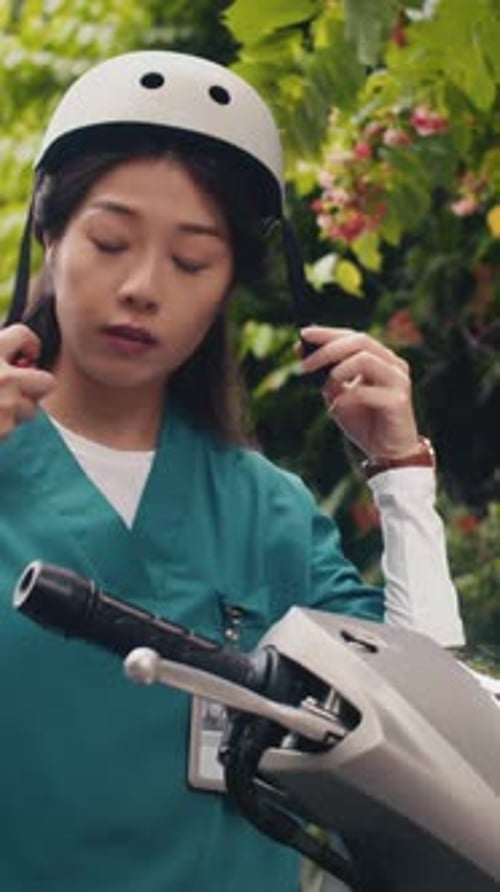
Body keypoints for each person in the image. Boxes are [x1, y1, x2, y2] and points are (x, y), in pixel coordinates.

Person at [0, 50, 464, 891]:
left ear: (229, 289)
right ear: (50, 233)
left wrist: (400, 475)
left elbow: (433, 734)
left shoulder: (269, 513)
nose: (141, 287)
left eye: (190, 261)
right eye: (109, 241)